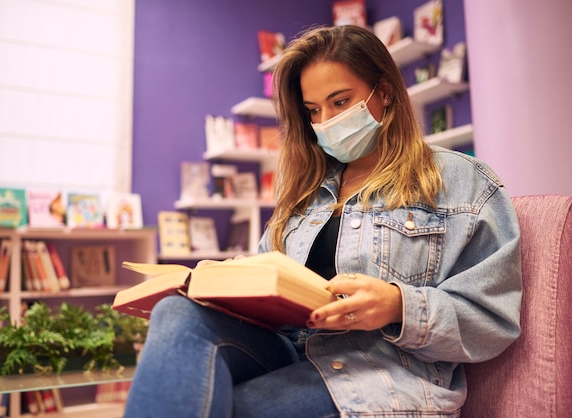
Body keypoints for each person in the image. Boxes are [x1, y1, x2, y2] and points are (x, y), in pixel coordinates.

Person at [124, 25, 521, 418]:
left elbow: (492, 320)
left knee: (230, 407)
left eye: (341, 102)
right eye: (313, 110)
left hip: (380, 374)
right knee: (176, 315)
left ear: (383, 92)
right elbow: (267, 276)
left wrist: (398, 306)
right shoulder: (306, 193)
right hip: (287, 354)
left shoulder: (462, 181)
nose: (326, 121)